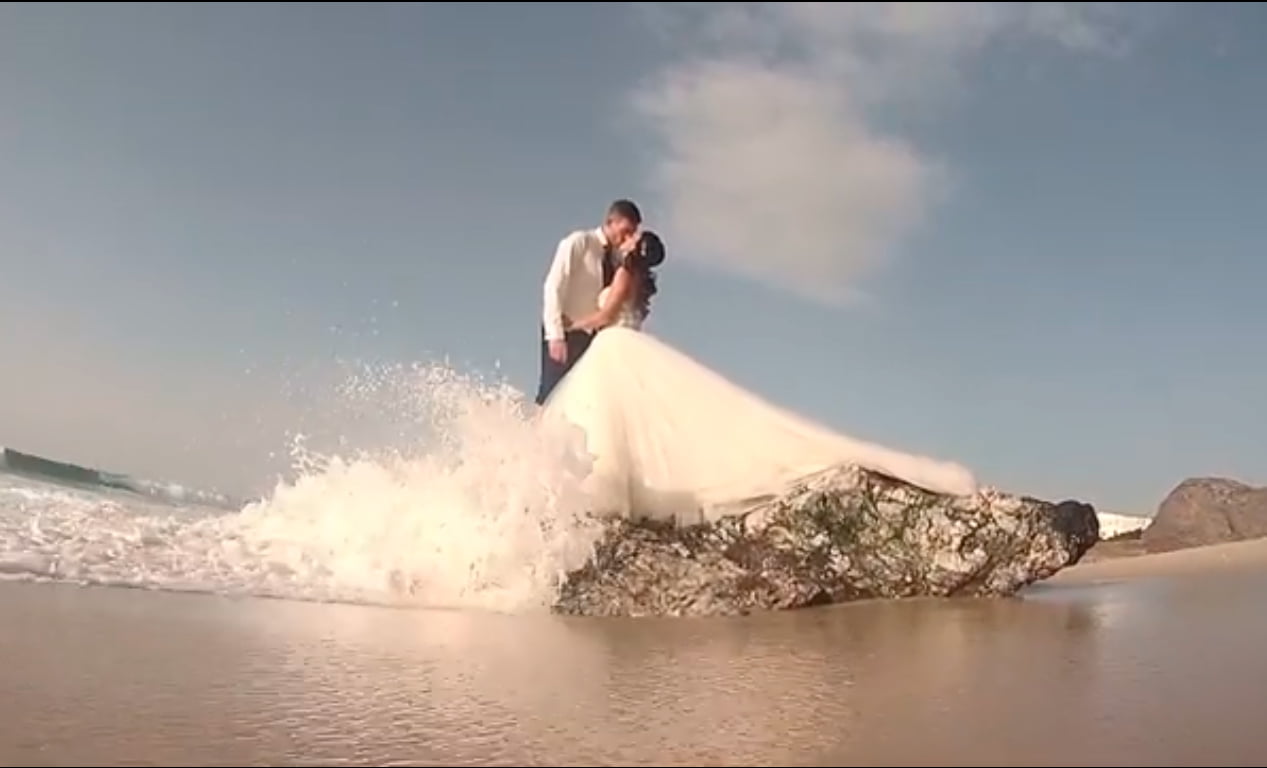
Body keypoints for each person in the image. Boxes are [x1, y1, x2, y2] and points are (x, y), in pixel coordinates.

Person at [536, 229, 980, 527]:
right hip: (623, 346)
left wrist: (574, 325)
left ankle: (605, 504)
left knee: (617, 424)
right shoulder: (637, 278)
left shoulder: (624, 275)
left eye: (630, 235)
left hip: (614, 345)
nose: (624, 238)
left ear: (633, 247)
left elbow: (610, 314)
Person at [535, 199, 643, 406]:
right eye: (625, 230)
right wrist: (555, 335)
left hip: (590, 338)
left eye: (632, 233)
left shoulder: (616, 260)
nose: (627, 238)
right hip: (565, 330)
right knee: (551, 392)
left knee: (577, 399)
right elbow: (553, 286)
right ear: (610, 222)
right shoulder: (579, 242)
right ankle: (532, 435)